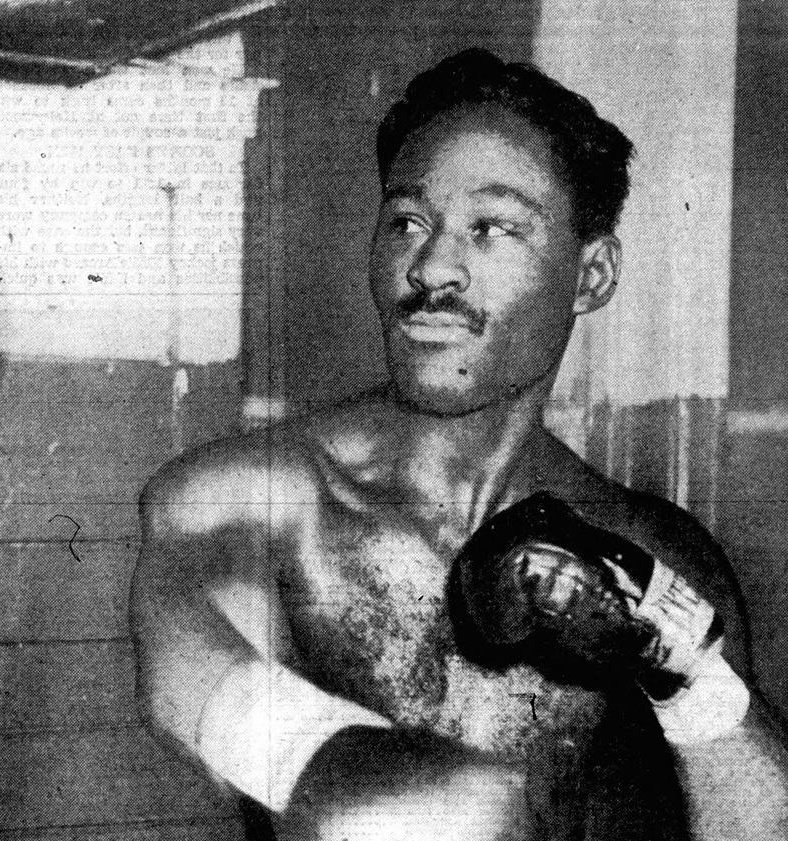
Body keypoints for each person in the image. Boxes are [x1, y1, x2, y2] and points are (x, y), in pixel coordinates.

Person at [129, 48, 788, 840]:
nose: (432, 266)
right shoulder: (253, 499)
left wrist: (688, 675)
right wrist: (376, 786)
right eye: (406, 222)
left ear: (591, 275)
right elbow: (187, 674)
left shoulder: (655, 550)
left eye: (492, 227)